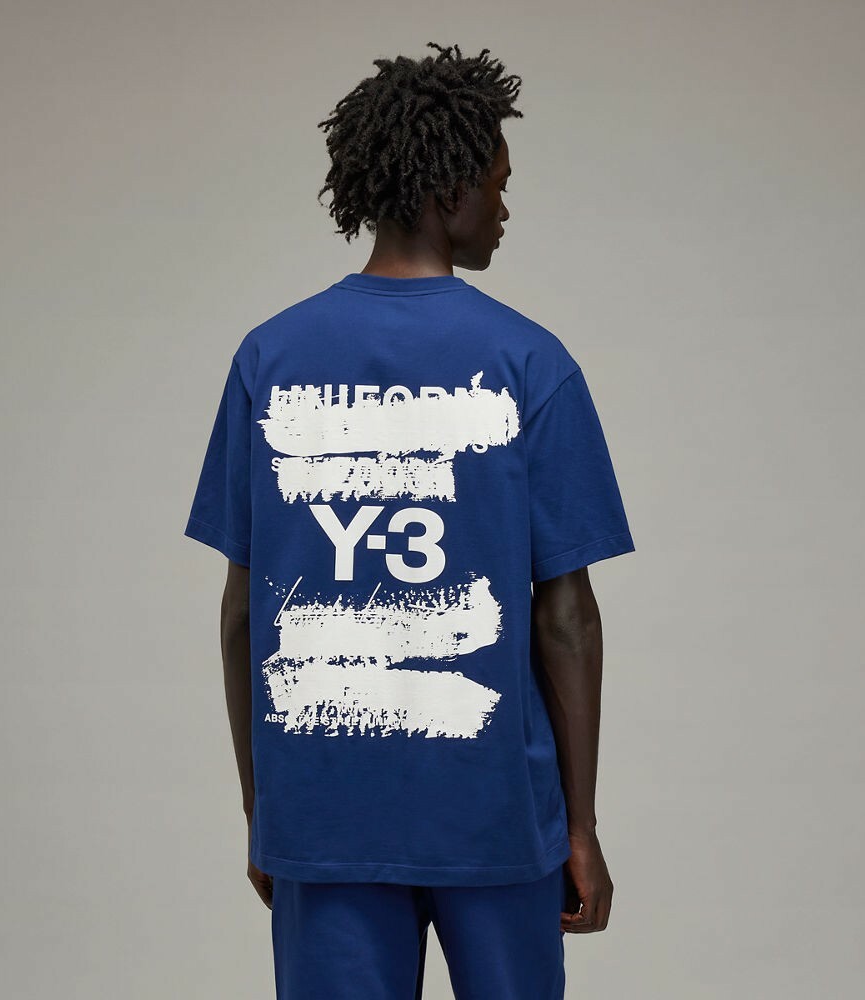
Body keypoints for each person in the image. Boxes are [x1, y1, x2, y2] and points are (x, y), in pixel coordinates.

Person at [183, 41, 636, 1000]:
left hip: (324, 816)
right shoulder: (530, 364)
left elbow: (241, 613)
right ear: (448, 187)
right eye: (498, 185)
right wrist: (581, 827)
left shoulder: (270, 359)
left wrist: (265, 810)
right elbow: (565, 619)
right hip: (496, 816)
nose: (505, 208)